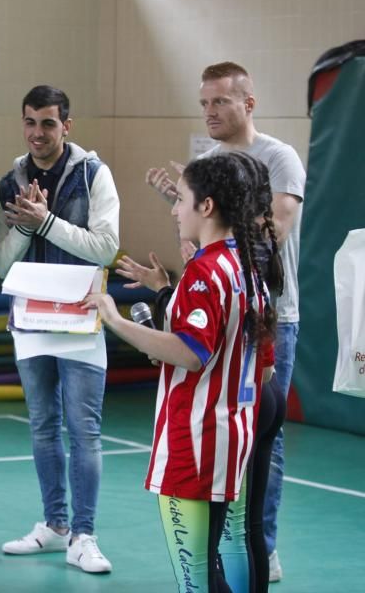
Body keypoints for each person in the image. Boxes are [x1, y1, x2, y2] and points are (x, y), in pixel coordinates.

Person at [85, 154, 275, 593]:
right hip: (234, 432)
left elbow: (191, 354)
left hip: (196, 439)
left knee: (197, 578)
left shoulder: (204, 273)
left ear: (206, 207)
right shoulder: (248, 268)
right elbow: (262, 369)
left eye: (181, 199)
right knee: (232, 549)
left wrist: (115, 320)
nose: (174, 209)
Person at [145, 61, 305, 581]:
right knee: (224, 447)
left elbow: (270, 232)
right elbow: (200, 248)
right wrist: (184, 207)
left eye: (220, 102)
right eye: (204, 103)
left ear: (248, 104)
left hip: (266, 320)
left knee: (259, 438)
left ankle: (264, 543)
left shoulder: (278, 158)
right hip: (223, 313)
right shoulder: (207, 161)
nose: (210, 112)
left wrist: (208, 212)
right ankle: (232, 545)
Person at [0, 85, 120, 574]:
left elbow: (106, 248)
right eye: (30, 123)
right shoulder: (10, 182)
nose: (37, 133)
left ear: (67, 125)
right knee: (43, 426)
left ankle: (84, 535)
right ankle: (55, 525)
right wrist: (23, 227)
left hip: (82, 318)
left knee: (84, 430)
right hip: (31, 321)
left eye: (48, 123)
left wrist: (45, 222)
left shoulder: (93, 175)